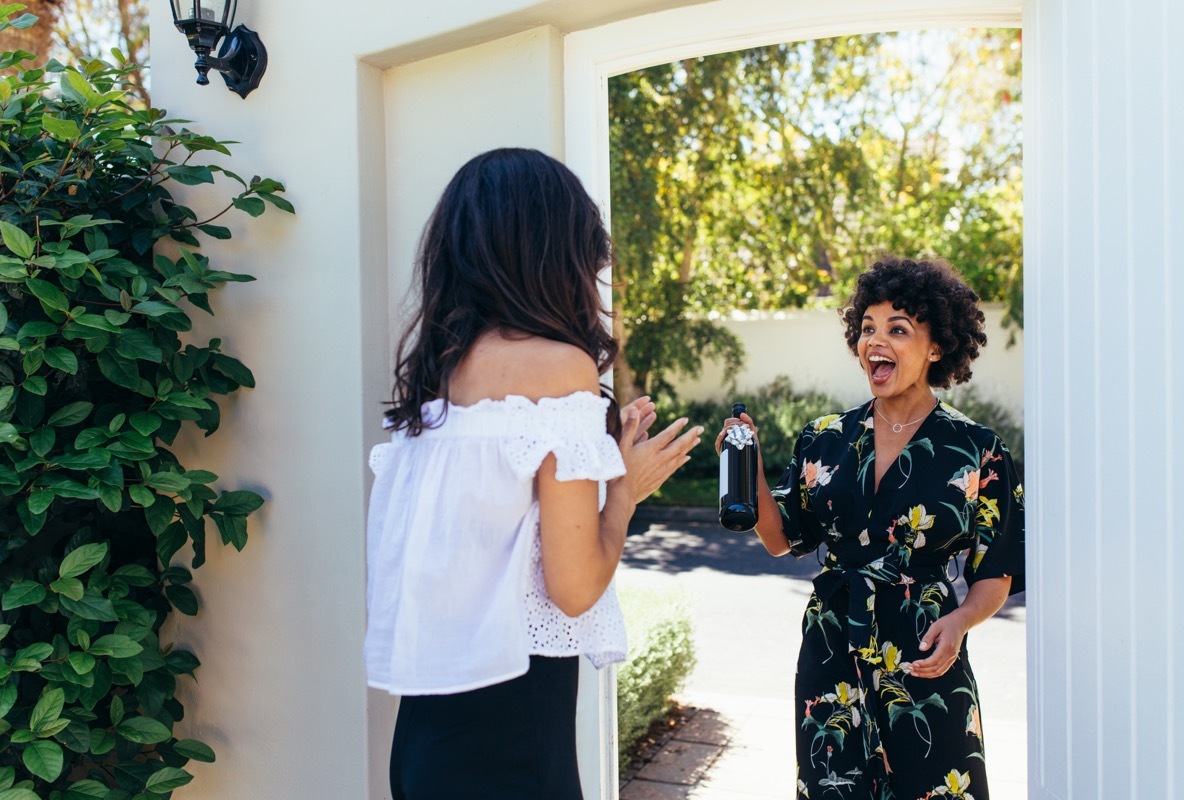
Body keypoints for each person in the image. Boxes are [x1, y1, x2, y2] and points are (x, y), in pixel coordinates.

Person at [364, 148, 704, 800]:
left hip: (423, 744)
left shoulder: (435, 382)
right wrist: (625, 491)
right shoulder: (559, 369)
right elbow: (573, 590)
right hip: (511, 748)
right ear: (553, 253)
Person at [715, 256, 1024, 800]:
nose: (875, 341)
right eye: (867, 329)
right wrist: (751, 464)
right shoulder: (824, 437)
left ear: (936, 348)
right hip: (833, 647)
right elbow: (779, 538)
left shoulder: (978, 451)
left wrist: (959, 623)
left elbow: (995, 571)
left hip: (926, 653)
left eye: (897, 329)